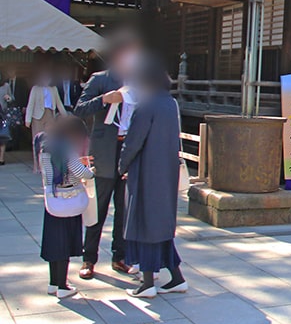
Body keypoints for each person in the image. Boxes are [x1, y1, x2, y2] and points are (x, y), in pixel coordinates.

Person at [118, 56, 188, 298]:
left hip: (146, 171)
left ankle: (148, 283)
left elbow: (133, 142)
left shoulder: (146, 106)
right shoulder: (170, 104)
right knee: (161, 226)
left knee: (145, 223)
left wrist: (121, 166)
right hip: (166, 172)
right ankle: (177, 277)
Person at [74, 33, 141, 279]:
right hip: (104, 151)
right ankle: (89, 258)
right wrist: (104, 99)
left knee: (124, 208)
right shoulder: (101, 79)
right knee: (99, 207)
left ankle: (120, 256)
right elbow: (79, 109)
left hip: (128, 150)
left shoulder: (138, 82)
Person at [37, 116, 94, 299]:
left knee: (53, 243)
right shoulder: (67, 148)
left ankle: (53, 283)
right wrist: (91, 172)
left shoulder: (45, 145)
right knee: (64, 244)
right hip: (69, 200)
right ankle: (63, 286)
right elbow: (79, 171)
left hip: (53, 200)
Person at [25, 67, 66, 151]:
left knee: (49, 138)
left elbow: (59, 103)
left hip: (50, 114)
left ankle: (47, 161)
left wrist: (66, 116)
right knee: (37, 139)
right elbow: (30, 104)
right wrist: (27, 119)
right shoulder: (35, 88)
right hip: (37, 116)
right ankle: (37, 161)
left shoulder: (53, 89)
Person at [4, 66, 29, 151]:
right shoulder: (5, 82)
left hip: (18, 106)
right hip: (7, 108)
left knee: (17, 127)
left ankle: (16, 145)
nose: (10, 72)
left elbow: (26, 94)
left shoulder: (21, 82)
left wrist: (25, 106)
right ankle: (9, 145)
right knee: (8, 127)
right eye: (9, 71)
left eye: (12, 70)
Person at [0, 73, 11, 165]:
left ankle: (1, 158)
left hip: (3, 113)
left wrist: (8, 98)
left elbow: (12, 98)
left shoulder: (6, 85)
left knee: (2, 136)